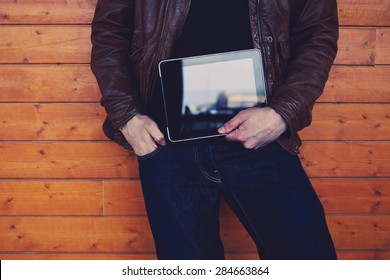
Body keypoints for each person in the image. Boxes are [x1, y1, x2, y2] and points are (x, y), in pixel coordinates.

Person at [91, 0, 339, 260]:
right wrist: (127, 117)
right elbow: (109, 33)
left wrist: (282, 113)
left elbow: (317, 36)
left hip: (262, 135)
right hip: (165, 144)